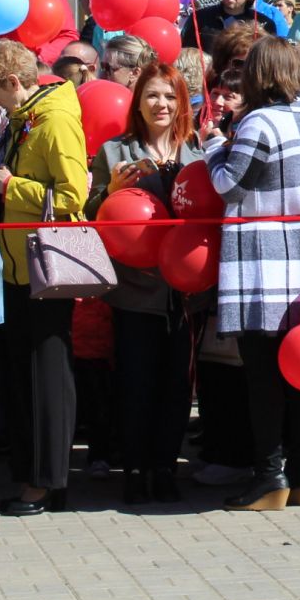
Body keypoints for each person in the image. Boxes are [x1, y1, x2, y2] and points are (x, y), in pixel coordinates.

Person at [204, 37, 300, 511]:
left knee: (264, 379)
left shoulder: (258, 122)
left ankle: (270, 475)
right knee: (298, 377)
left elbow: (230, 186)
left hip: (261, 263)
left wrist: (215, 145)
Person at [0, 40, 88, 515]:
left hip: (47, 267)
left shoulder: (54, 119)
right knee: (27, 374)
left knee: (47, 376)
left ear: (16, 83)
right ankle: (38, 475)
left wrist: (10, 186)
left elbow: (72, 196)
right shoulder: (28, 118)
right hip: (22, 266)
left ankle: (46, 479)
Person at [87, 62, 200, 503]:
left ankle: (165, 468)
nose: (162, 104)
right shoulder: (115, 151)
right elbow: (94, 214)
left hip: (185, 291)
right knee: (135, 382)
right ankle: (134, 469)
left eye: (170, 96)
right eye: (153, 95)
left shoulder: (197, 152)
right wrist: (111, 190)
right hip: (135, 288)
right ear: (138, 101)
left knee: (177, 386)